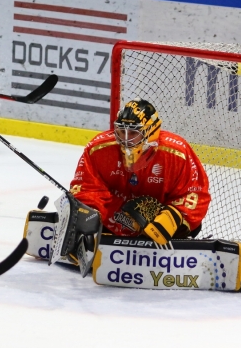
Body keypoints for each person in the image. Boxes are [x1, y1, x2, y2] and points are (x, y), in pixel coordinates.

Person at [69, 99, 211, 245]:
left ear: (151, 132)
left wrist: (170, 218)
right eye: (121, 131)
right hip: (112, 220)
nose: (125, 139)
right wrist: (87, 222)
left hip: (158, 229)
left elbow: (195, 193)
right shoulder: (98, 149)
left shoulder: (177, 153)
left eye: (132, 133)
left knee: (185, 226)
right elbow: (86, 188)